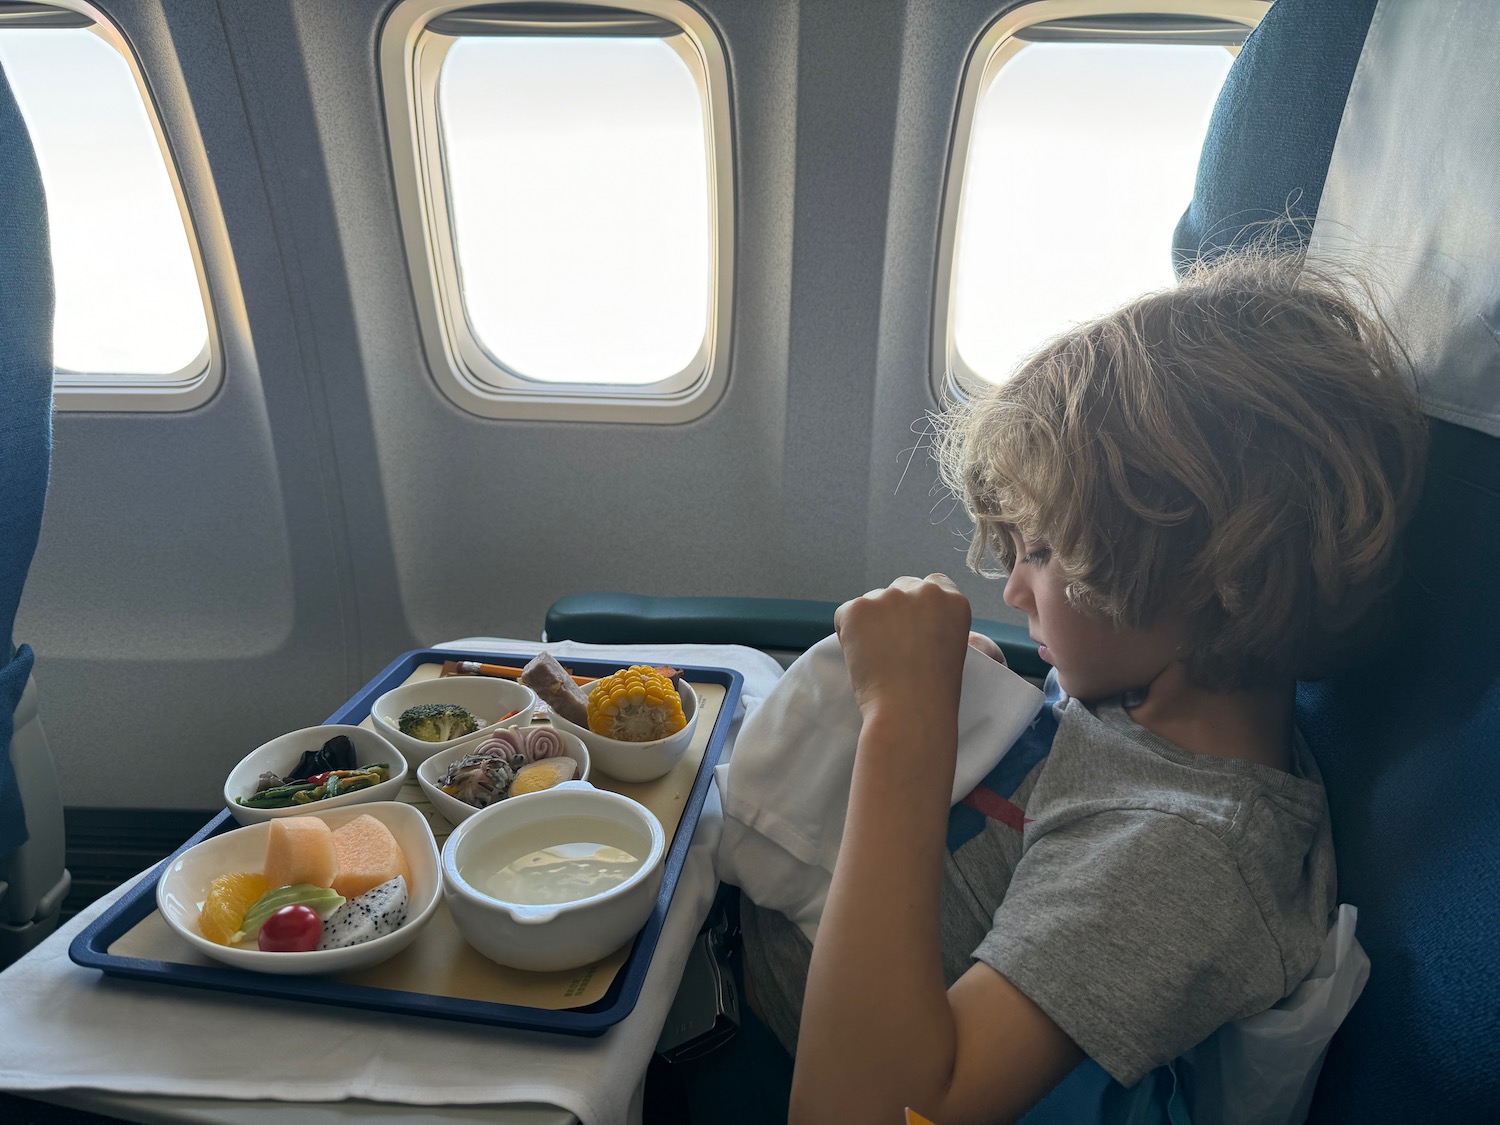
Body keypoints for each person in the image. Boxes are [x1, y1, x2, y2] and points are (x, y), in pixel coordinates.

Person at [737, 251, 1428, 1124]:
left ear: (1196, 572)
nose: (1016, 590)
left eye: (1041, 552)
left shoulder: (1189, 856)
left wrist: (904, 725)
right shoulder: (1146, 703)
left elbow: (862, 1112)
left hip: (753, 1046)